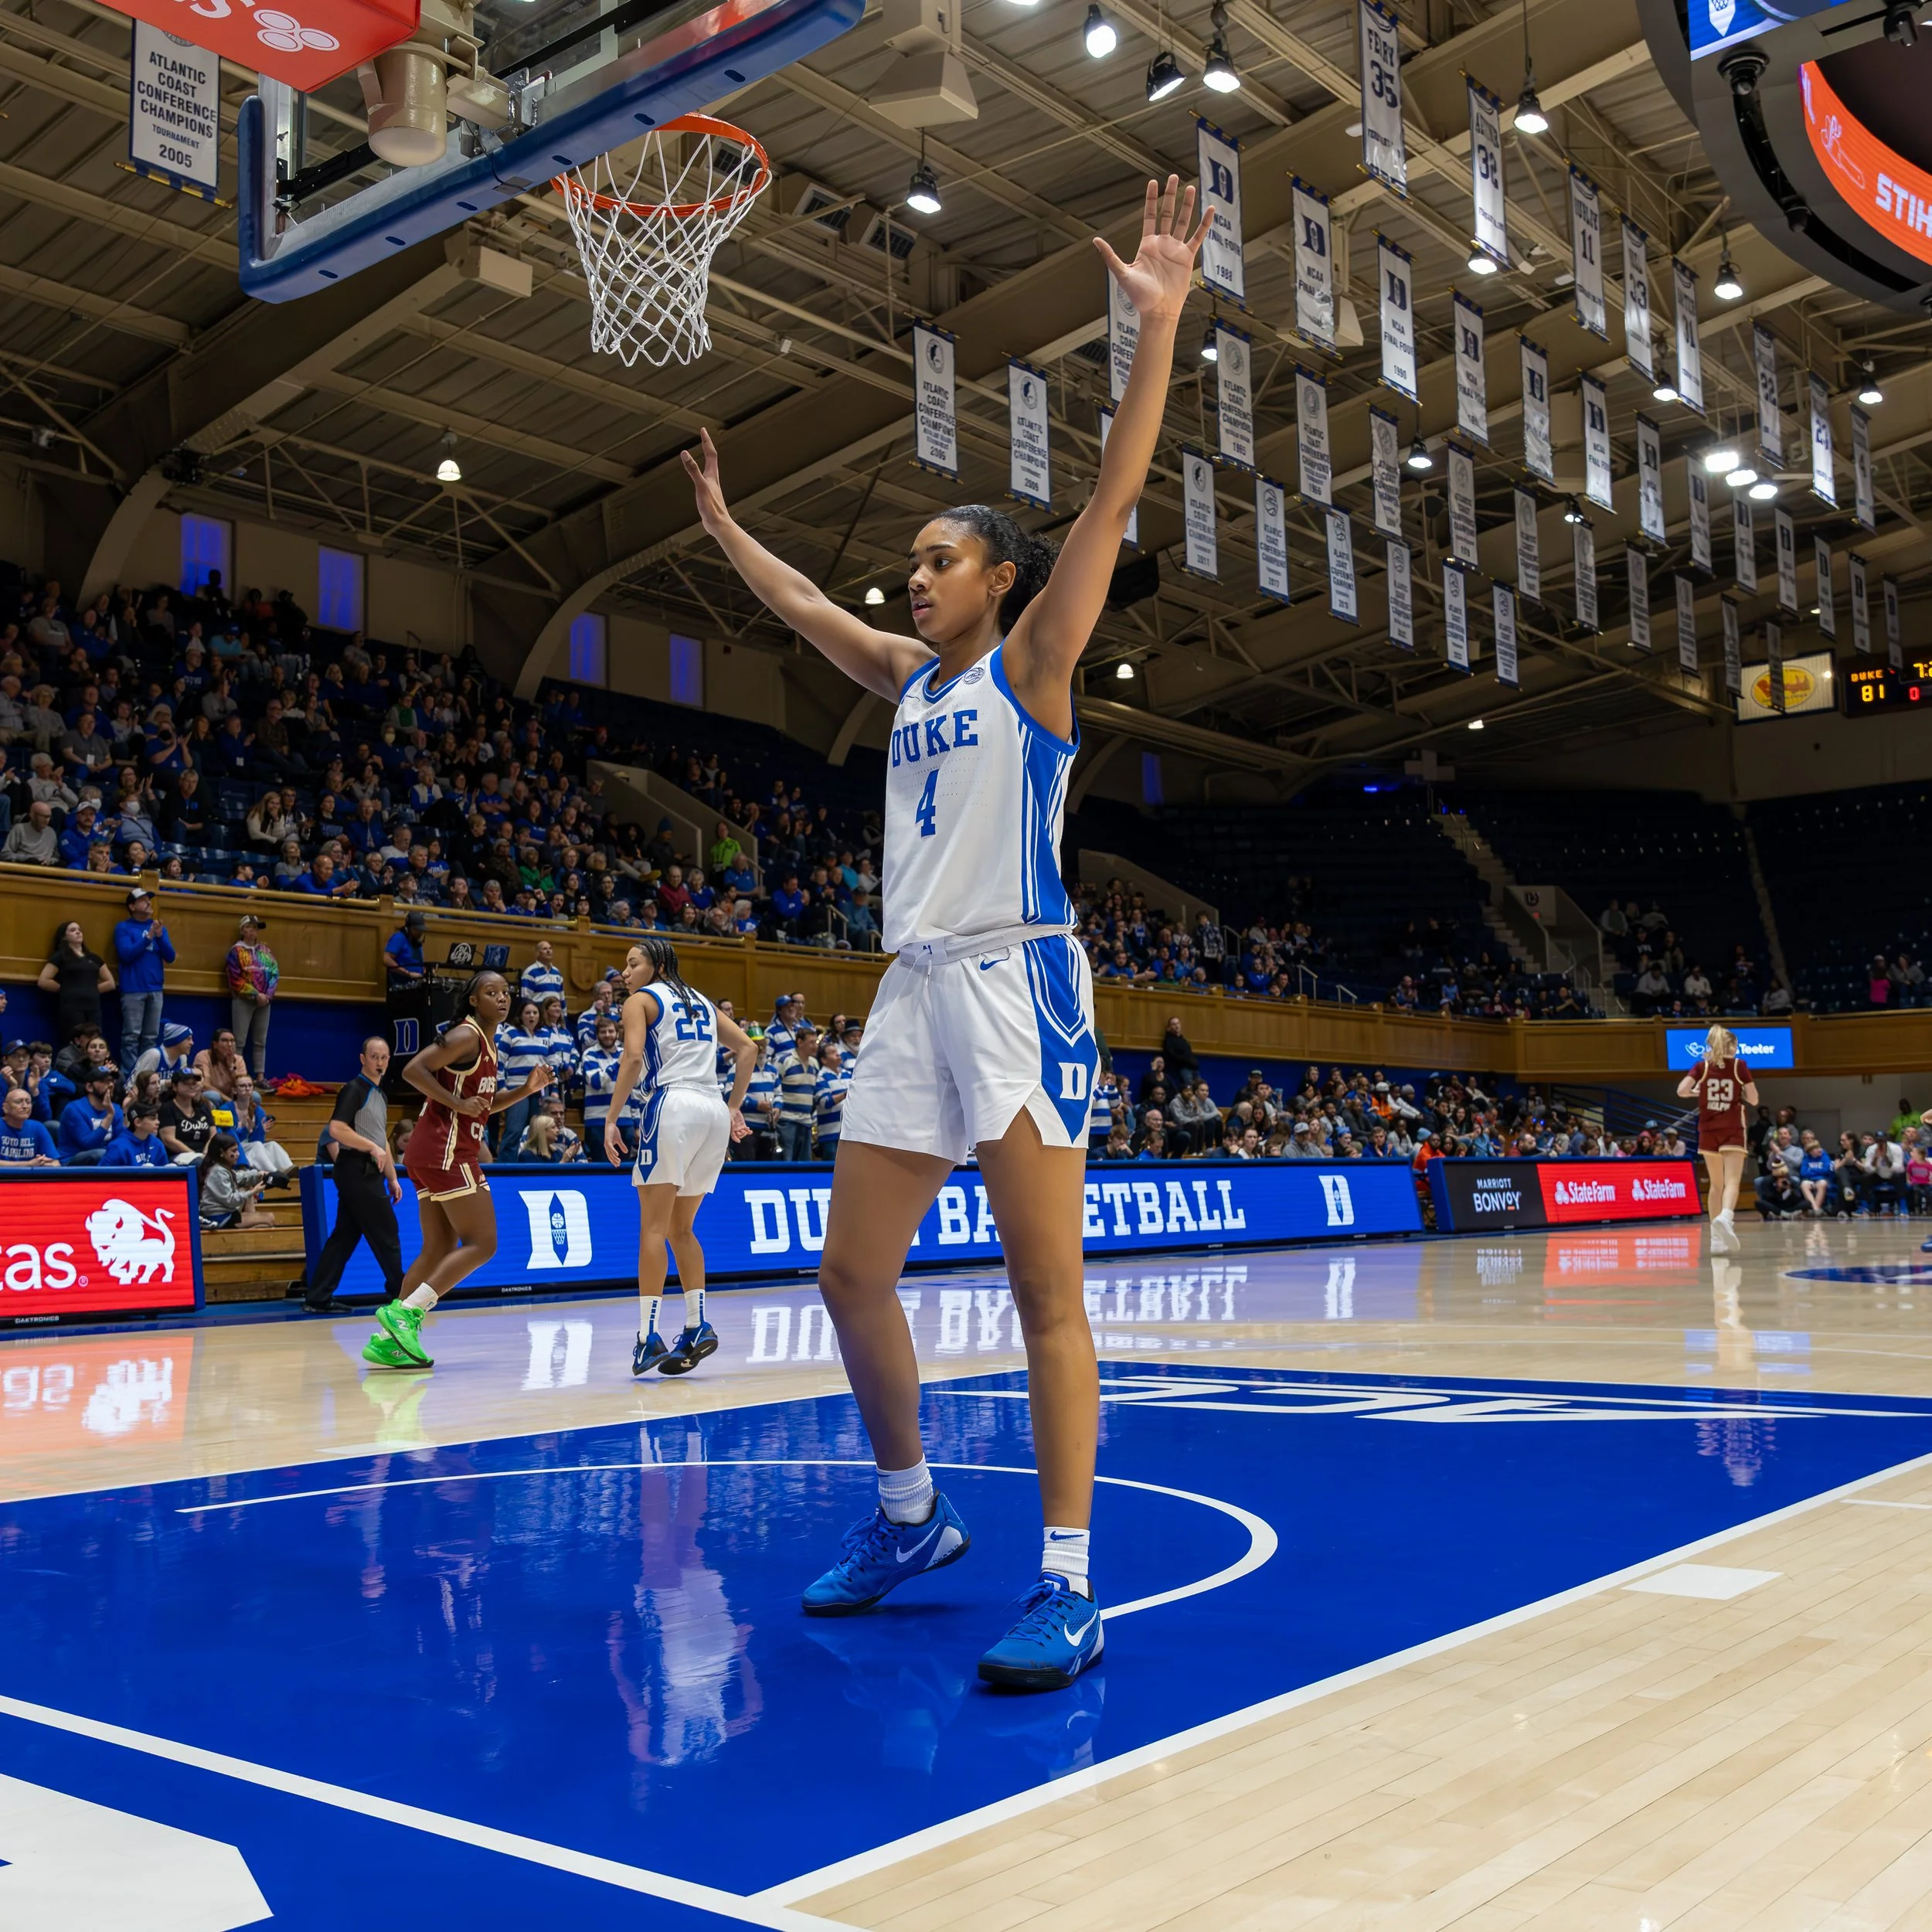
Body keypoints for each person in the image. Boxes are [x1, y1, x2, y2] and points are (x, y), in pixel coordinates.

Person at [680, 172, 1202, 1688]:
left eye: (936, 561)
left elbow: (1109, 498)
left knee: (1046, 1295)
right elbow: (800, 607)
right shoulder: (909, 683)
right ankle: (911, 1515)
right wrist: (722, 524)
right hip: (912, 988)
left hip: (1017, 979)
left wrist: (1156, 327)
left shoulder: (1032, 665)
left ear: (1000, 579)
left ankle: (1068, 1581)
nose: (912, 581)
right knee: (851, 1274)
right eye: (908, 565)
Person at [365, 972, 552, 1370]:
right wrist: (456, 1103)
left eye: (505, 993)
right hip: (447, 1151)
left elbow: (481, 1105)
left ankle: (388, 1340)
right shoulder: (467, 1035)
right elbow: (414, 1069)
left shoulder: (487, 1043)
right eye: (490, 993)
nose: (501, 999)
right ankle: (407, 1313)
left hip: (431, 1152)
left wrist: (526, 1090)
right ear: (473, 1001)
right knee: (483, 1243)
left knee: (437, 1248)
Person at [604, 937, 755, 1377]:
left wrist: (612, 1118)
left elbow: (633, 1058)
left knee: (653, 1228)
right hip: (712, 1109)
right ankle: (696, 1324)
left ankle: (647, 1335)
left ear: (656, 966)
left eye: (632, 964)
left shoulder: (640, 1001)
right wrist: (733, 1107)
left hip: (672, 1103)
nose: (625, 973)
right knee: (680, 1228)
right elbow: (749, 1048)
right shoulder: (702, 1001)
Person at [304, 1038, 404, 1315]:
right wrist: (371, 1147)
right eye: (374, 1057)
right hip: (356, 1168)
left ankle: (318, 1297)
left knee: (345, 1236)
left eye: (384, 1057)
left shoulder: (380, 1095)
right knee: (387, 1232)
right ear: (363, 1059)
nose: (380, 1063)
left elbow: (381, 1139)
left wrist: (392, 1178)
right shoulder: (354, 1089)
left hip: (367, 1170)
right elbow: (336, 1129)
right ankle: (402, 1296)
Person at [1677, 1023, 1757, 1254]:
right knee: (1732, 1181)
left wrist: (1697, 1092)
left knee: (1716, 1184)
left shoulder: (1701, 1066)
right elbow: (1753, 1099)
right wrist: (1740, 1092)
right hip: (1732, 1128)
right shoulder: (1739, 1066)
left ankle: (1716, 1240)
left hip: (1708, 1129)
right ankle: (1726, 1217)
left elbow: (1681, 1090)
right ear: (1731, 1046)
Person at [113, 886, 175, 1076]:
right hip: (133, 988)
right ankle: (129, 1077)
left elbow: (170, 956)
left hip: (156, 988)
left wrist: (159, 936)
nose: (148, 902)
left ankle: (145, 1076)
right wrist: (149, 937)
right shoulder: (123, 927)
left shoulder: (159, 928)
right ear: (132, 906)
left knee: (150, 1037)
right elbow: (126, 954)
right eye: (142, 900)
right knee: (131, 1036)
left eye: (149, 899)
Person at [37, 920, 114, 1052]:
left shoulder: (94, 958)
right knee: (74, 1040)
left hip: (93, 1006)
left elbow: (110, 983)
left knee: (96, 1039)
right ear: (64, 937)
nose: (78, 932)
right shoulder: (61, 957)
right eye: (73, 930)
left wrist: (91, 990)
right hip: (72, 1006)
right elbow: (44, 980)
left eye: (79, 929)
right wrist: (66, 990)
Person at [226, 912, 278, 1080]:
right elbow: (235, 979)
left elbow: (274, 973)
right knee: (239, 1041)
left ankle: (260, 1077)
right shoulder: (236, 951)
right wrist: (256, 994)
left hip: (265, 1002)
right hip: (243, 1000)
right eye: (249, 927)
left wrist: (267, 995)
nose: (253, 931)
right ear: (242, 930)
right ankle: (238, 1077)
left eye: (255, 928)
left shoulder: (265, 951)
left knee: (260, 1041)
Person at [197, 1131, 274, 1230]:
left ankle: (243, 1234)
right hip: (219, 1217)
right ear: (221, 1152)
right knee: (270, 1218)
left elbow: (240, 1177)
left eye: (237, 1150)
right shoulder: (218, 1172)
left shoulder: (222, 1168)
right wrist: (254, 1191)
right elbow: (230, 1200)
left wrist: (258, 1175)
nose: (238, 1154)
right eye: (233, 1151)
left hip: (226, 1213)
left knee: (266, 1223)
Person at [58, 1070, 121, 1165]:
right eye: (105, 1081)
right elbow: (89, 1144)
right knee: (100, 1154)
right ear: (89, 1087)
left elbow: (120, 1141)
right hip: (73, 1162)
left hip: (106, 1161)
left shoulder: (116, 1109)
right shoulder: (74, 1109)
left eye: (112, 1081)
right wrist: (109, 1117)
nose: (111, 1085)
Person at [0, 1084, 59, 1166]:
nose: (25, 1106)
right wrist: (29, 1164)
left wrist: (45, 1163)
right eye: (18, 1102)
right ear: (6, 1107)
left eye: (28, 1102)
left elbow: (56, 1163)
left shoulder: (38, 1127)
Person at [100, 1100, 168, 1168]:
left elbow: (164, 1171)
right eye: (153, 1119)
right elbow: (103, 1173)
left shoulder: (157, 1144)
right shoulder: (118, 1147)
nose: (158, 1122)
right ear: (138, 1122)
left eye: (157, 1118)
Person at [384, 908, 429, 988]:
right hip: (402, 985)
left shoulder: (416, 943)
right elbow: (387, 959)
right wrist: (409, 974)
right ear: (409, 928)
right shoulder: (399, 938)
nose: (420, 933)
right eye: (417, 930)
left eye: (421, 930)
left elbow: (419, 963)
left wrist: (426, 971)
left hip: (418, 983)